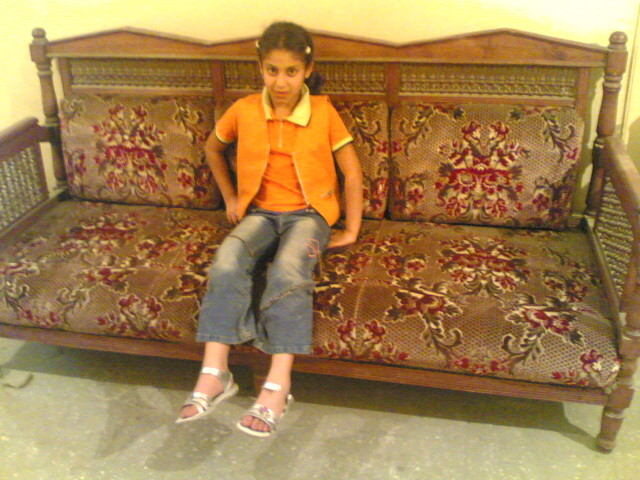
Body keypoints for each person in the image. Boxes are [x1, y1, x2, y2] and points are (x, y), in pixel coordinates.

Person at [176, 21, 363, 437]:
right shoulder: (244, 110)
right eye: (272, 70)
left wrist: (351, 227)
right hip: (259, 213)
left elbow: (351, 172)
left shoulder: (323, 112)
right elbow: (213, 148)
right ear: (260, 68)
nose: (281, 81)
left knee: (289, 270)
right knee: (227, 260)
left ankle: (278, 385)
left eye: (291, 72)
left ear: (307, 70)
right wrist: (230, 198)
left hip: (310, 216)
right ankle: (215, 372)